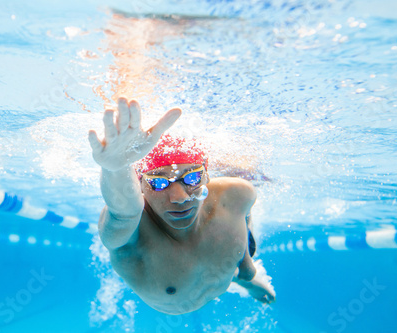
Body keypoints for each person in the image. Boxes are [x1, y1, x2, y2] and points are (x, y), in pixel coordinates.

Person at [88, 98, 275, 315]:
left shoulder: (238, 194)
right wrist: (116, 169)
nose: (179, 197)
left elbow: (243, 219)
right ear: (140, 184)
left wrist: (246, 265)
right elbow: (122, 213)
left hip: (224, 275)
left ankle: (242, 281)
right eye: (158, 182)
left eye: (192, 178)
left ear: (207, 174)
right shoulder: (132, 230)